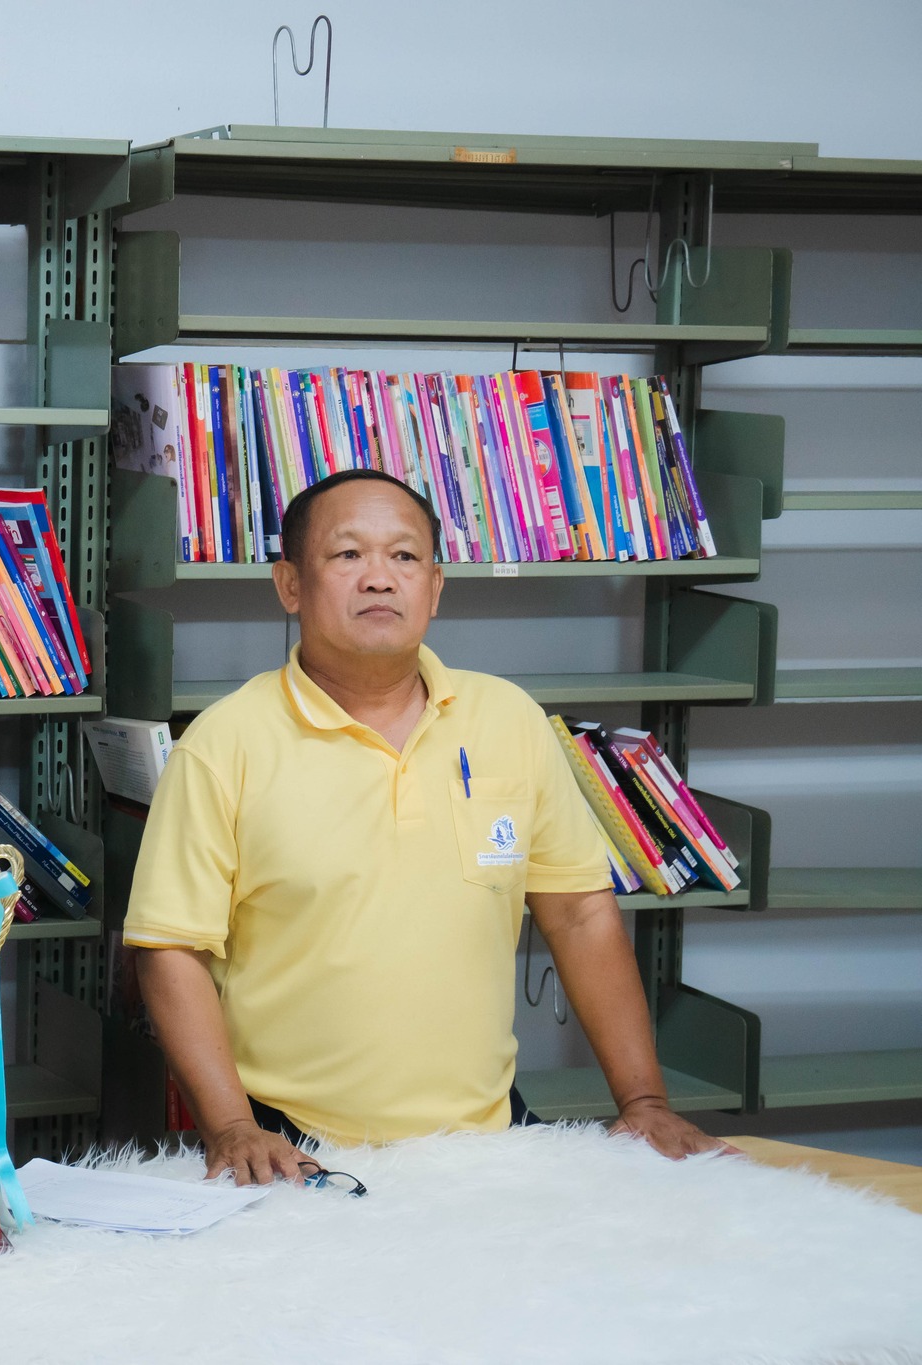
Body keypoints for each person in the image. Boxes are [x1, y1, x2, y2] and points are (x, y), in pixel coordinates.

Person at [124, 468, 732, 1184]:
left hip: (491, 1133)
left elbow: (579, 915)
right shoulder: (224, 744)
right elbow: (168, 948)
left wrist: (644, 1098)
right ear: (290, 584)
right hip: (298, 1141)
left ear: (436, 588)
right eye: (347, 555)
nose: (379, 578)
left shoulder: (509, 719)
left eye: (404, 557)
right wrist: (231, 1127)